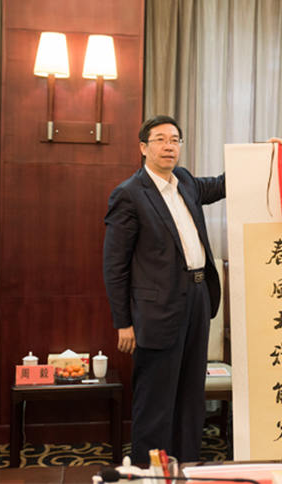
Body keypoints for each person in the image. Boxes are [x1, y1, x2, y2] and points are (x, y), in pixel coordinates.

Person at [103, 115, 225, 463]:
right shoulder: (129, 194)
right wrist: (123, 323)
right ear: (143, 147)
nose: (169, 146)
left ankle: (185, 465)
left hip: (198, 299)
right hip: (158, 310)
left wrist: (266, 154)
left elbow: (222, 184)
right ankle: (150, 471)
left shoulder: (185, 181)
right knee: (155, 398)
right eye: (160, 139)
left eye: (174, 139)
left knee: (191, 394)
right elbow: (114, 266)